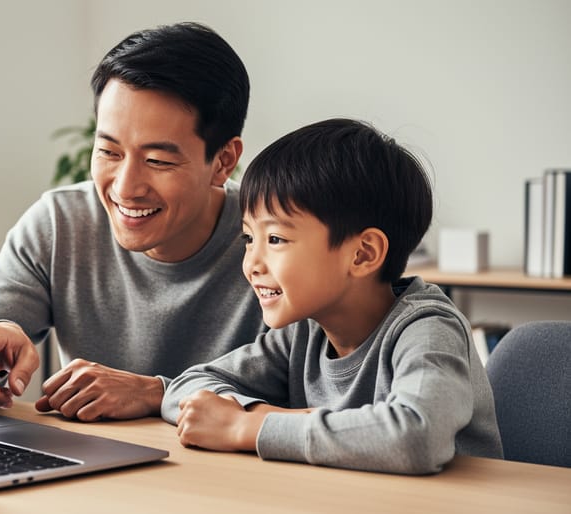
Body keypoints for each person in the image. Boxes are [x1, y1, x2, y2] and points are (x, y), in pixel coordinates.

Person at [0, 22, 265, 421]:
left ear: (224, 162)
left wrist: (154, 392)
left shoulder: (275, 240)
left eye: (158, 161)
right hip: (92, 472)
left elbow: (302, 394)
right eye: (109, 151)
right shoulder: (62, 223)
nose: (125, 188)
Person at [161, 118, 504, 474]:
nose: (252, 264)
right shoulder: (305, 334)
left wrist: (246, 426)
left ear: (362, 254)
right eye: (250, 238)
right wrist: (261, 415)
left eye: (275, 239)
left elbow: (416, 438)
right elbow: (187, 388)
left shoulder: (429, 330)